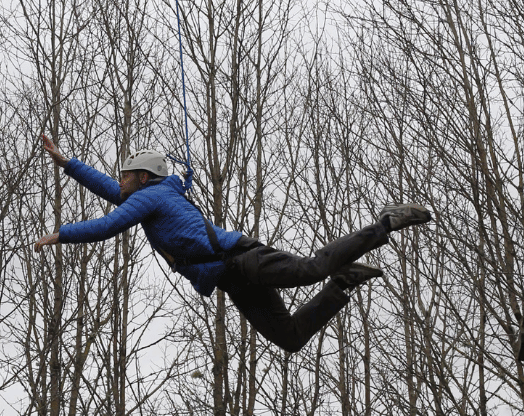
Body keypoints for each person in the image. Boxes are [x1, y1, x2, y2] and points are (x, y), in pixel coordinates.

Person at [35, 135, 431, 353]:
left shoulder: (151, 198)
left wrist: (60, 234)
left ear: (142, 179)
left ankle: (384, 223)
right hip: (233, 279)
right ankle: (343, 284)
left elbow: (109, 225)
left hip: (241, 259)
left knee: (309, 270)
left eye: (125, 176)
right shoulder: (148, 195)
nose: (117, 181)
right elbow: (110, 190)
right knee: (289, 339)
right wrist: (67, 163)